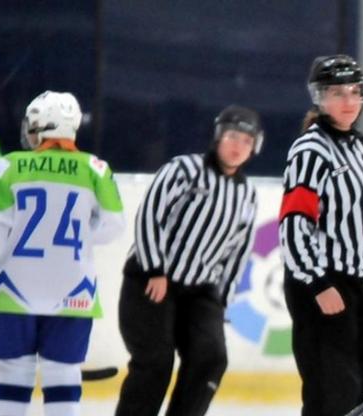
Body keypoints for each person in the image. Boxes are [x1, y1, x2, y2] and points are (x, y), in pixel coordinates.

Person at [115, 105, 262, 416]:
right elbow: (150, 216)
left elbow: (238, 251)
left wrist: (221, 300)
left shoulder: (246, 194)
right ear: (218, 136)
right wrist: (155, 269)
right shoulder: (184, 169)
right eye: (233, 137)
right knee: (155, 362)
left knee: (211, 359)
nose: (238, 146)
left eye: (246, 141)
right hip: (151, 280)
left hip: (200, 292)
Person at [0, 91, 124, 416]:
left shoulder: (7, 167)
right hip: (74, 290)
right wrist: (78, 238)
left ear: (41, 127)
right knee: (63, 374)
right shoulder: (95, 168)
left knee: (12, 373)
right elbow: (114, 226)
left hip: (11, 288)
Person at [279, 54, 363, 416]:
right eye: (337, 93)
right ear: (320, 97)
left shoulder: (359, 148)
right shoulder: (311, 150)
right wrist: (317, 283)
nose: (348, 101)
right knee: (334, 393)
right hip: (320, 283)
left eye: (354, 92)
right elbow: (294, 222)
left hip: (355, 283)